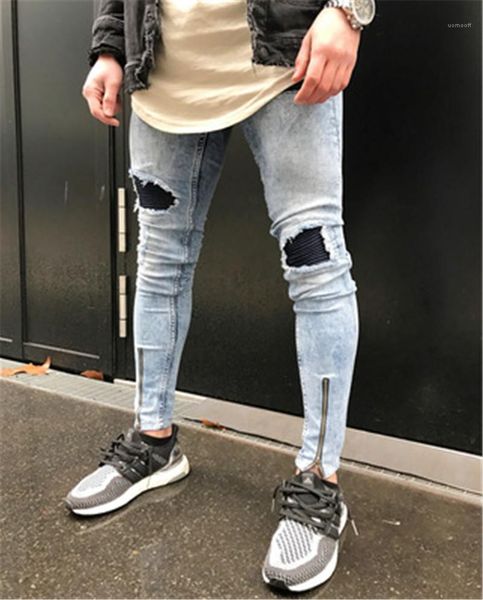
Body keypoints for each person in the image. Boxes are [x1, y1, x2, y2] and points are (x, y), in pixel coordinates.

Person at [68, 0, 375, 592]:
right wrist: (109, 45)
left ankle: (320, 483)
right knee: (159, 262)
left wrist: (349, 9)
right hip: (165, 72)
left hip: (286, 60)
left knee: (315, 262)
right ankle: (153, 442)